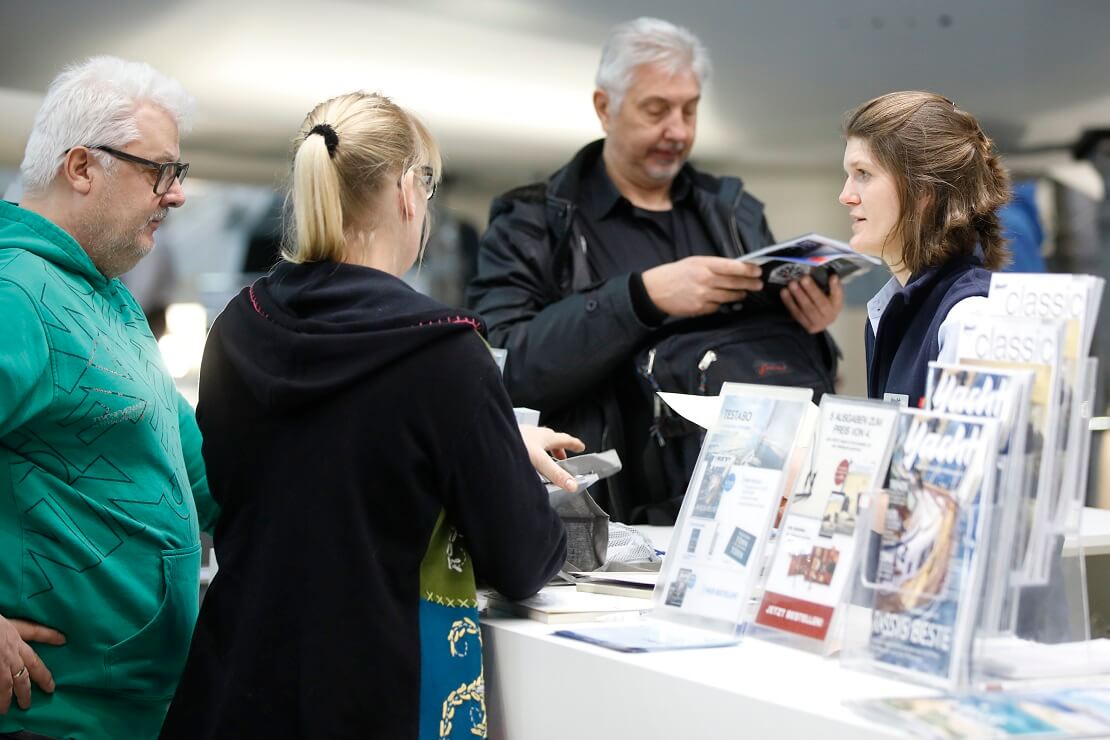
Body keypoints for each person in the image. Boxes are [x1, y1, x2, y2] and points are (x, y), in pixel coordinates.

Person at [160, 92, 572, 740]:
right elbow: (524, 559)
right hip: (370, 700)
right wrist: (497, 453)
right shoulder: (443, 352)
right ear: (410, 191)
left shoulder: (238, 328)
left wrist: (494, 440)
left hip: (230, 689)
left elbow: (294, 472)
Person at [467, 17, 843, 524]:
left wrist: (812, 323)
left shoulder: (733, 213)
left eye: (690, 109)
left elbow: (783, 361)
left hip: (744, 511)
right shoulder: (533, 223)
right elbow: (507, 374)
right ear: (605, 108)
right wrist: (641, 298)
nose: (679, 130)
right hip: (604, 516)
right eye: (656, 110)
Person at [0, 57, 214, 739]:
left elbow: (205, 472)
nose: (176, 195)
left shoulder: (108, 299)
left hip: (133, 711)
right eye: (161, 171)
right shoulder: (16, 295)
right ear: (83, 167)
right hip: (54, 716)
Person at [839, 91, 1011, 406]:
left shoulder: (970, 318)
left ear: (923, 190)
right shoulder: (886, 313)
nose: (846, 195)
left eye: (862, 174)